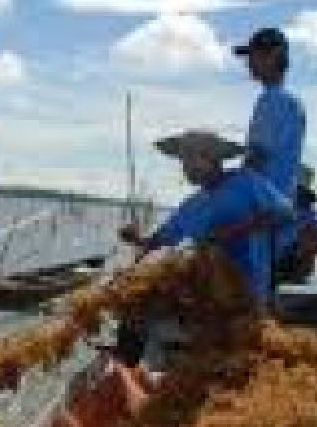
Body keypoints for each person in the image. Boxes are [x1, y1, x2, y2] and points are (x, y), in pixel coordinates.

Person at [121, 130, 295, 306]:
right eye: (183, 160)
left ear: (213, 158)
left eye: (192, 158)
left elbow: (287, 213)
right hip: (204, 297)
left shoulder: (246, 181)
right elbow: (160, 241)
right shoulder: (191, 205)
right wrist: (137, 239)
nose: (186, 167)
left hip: (247, 292)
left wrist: (235, 230)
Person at [235, 27, 306, 200]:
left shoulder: (271, 99)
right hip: (282, 199)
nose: (249, 63)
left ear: (273, 57)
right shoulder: (293, 104)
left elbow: (257, 157)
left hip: (263, 202)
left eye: (254, 56)